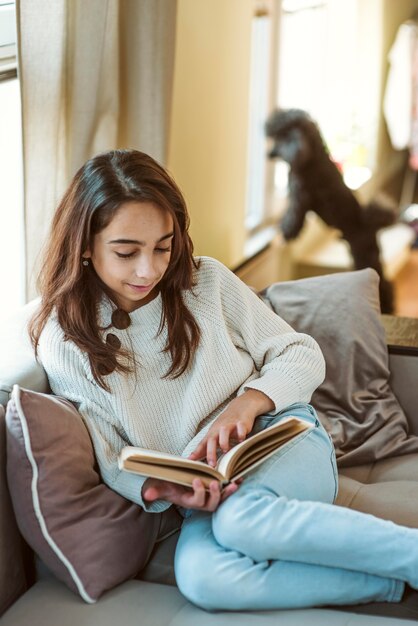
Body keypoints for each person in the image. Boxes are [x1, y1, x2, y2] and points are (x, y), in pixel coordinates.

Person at [30, 148, 417, 612]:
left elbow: (300, 353)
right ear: (85, 245)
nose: (148, 269)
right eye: (126, 251)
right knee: (203, 579)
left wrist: (248, 403)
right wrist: (164, 489)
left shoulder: (205, 282)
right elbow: (110, 452)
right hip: (207, 493)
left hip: (281, 442)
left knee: (241, 525)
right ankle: (394, 583)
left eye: (163, 246)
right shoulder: (64, 338)